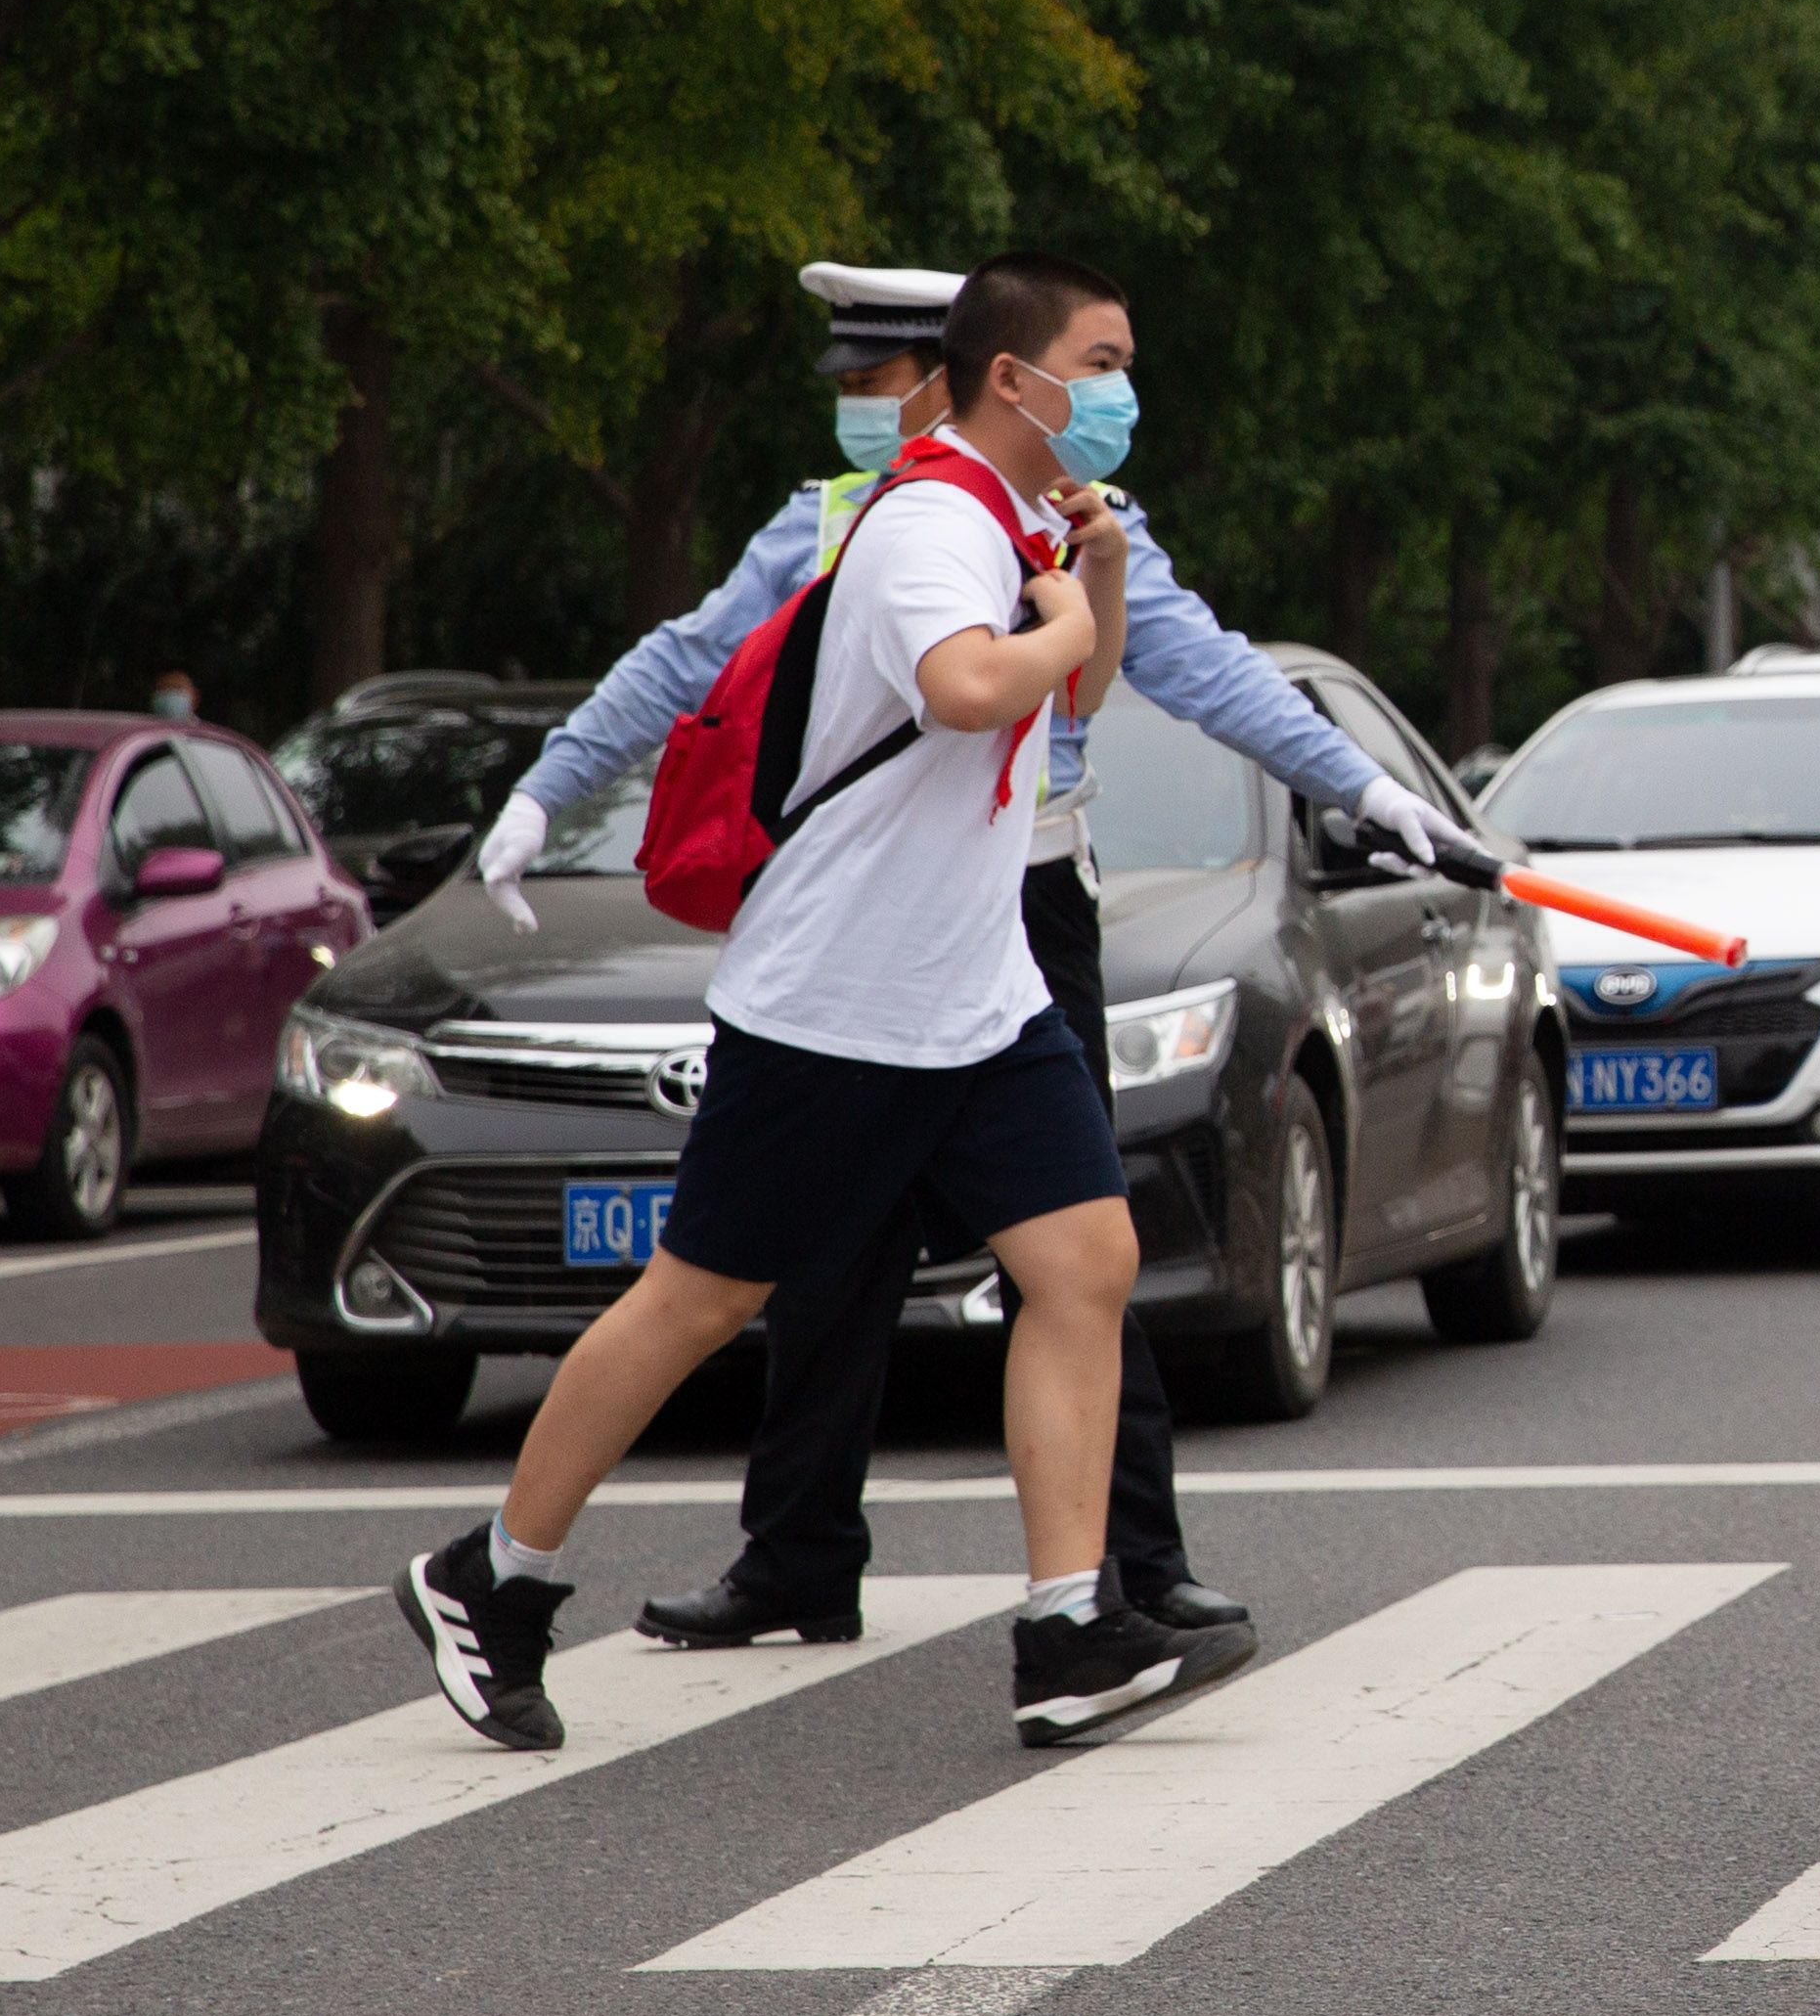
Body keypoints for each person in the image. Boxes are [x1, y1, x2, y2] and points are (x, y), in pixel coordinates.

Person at [474, 260, 1463, 1650]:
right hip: (855, 954)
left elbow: (1179, 671)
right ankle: (625, 1563)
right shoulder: (899, 522)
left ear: (947, 379)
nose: (865, 414)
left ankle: (1102, 1596)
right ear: (1006, 380)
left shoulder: (1056, 521)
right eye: (856, 390)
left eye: (884, 384)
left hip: (1008, 930)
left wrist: (1363, 788)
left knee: (1081, 1257)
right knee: (747, 1283)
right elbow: (806, 672)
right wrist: (546, 788)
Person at [401, 252, 1254, 1750]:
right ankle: (493, 1576)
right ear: (1016, 379)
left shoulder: (1014, 520)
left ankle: (1066, 1626)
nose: (1123, 393)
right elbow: (974, 689)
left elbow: (1076, 694)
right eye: (1103, 361)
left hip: (975, 992)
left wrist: (1096, 583)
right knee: (700, 1299)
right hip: (836, 1001)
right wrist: (1055, 623)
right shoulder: (928, 518)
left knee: (1084, 1262)